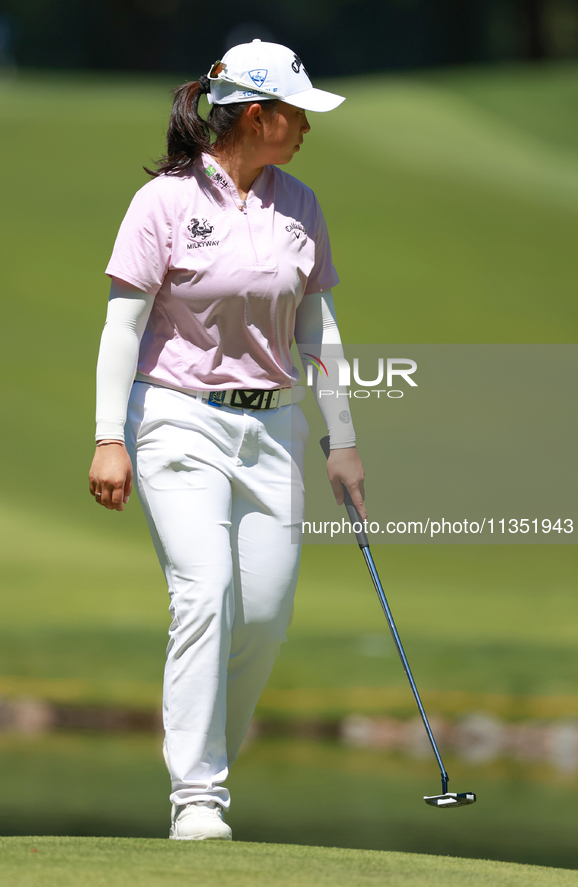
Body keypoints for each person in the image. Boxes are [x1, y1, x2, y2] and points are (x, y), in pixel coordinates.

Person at [88, 39, 366, 842]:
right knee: (204, 592)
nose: (307, 127)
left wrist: (339, 437)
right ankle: (197, 796)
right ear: (256, 116)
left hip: (273, 426)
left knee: (266, 616)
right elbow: (121, 327)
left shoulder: (299, 202)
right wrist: (111, 437)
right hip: (176, 416)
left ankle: (208, 757)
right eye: (296, 114)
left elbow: (318, 323)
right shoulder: (165, 204)